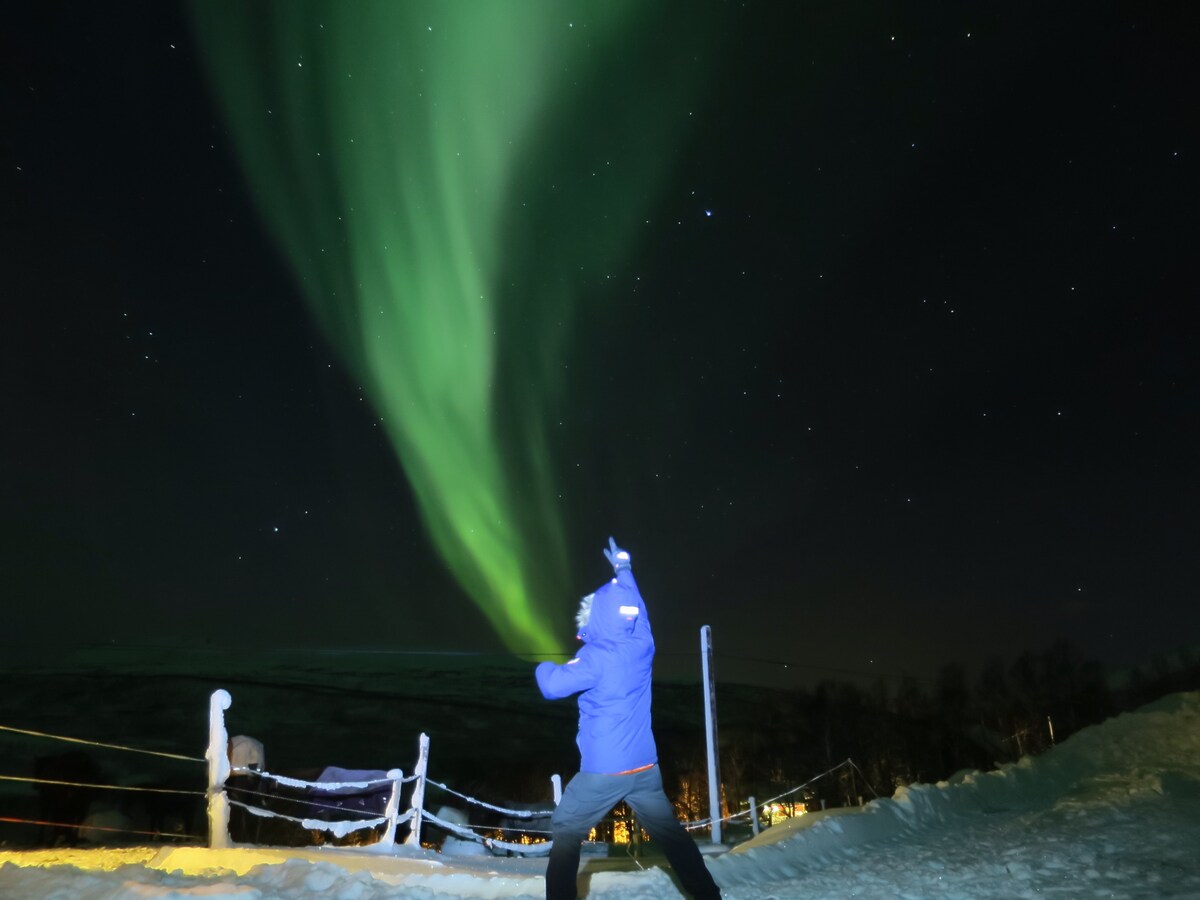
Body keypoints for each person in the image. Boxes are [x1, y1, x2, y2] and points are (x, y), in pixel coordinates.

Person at [535, 538, 722, 900]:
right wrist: (624, 569)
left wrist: (544, 666)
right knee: (670, 836)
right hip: (644, 768)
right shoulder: (643, 644)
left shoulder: (595, 658)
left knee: (567, 830)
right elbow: (637, 609)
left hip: (603, 772)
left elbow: (551, 686)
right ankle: (708, 896)